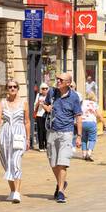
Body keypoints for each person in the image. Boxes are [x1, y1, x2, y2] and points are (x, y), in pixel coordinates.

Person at [42, 71, 82, 203]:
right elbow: (45, 104)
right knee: (53, 162)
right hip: (52, 130)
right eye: (58, 79)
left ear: (68, 83)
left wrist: (79, 136)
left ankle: (60, 192)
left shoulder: (74, 97)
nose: (58, 81)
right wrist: (47, 108)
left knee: (62, 162)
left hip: (66, 132)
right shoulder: (52, 92)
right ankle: (61, 183)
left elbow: (78, 116)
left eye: (61, 80)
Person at [0, 78, 31, 202]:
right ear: (7, 89)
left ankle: (17, 192)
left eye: (14, 87)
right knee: (7, 163)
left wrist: (28, 139)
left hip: (18, 134)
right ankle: (12, 191)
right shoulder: (3, 102)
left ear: (18, 89)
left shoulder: (24, 102)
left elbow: (27, 122)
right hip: (5, 134)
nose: (12, 89)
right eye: (10, 87)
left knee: (15, 162)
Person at [80, 91, 106, 162]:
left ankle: (84, 154)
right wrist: (104, 123)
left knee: (84, 139)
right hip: (91, 122)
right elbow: (99, 115)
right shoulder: (94, 104)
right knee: (92, 139)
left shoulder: (82, 102)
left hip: (83, 122)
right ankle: (89, 153)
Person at [32, 83, 50, 151]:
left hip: (46, 115)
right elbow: (35, 106)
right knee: (40, 131)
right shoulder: (38, 95)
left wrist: (44, 103)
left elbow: (50, 105)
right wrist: (38, 103)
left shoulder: (49, 96)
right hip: (39, 115)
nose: (45, 90)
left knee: (46, 131)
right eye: (43, 88)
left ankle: (46, 146)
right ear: (41, 89)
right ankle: (41, 146)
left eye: (46, 88)